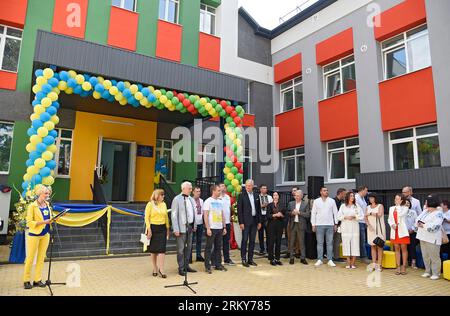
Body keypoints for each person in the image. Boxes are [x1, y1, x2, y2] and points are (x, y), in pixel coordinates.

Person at [23, 185, 55, 289]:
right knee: (30, 258)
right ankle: (26, 280)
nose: (47, 195)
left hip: (45, 234)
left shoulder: (47, 205)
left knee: (41, 258)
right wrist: (43, 222)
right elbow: (29, 222)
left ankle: (37, 279)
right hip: (34, 235)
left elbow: (49, 219)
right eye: (46, 193)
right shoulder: (32, 206)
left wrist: (54, 219)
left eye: (48, 193)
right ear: (40, 194)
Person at [171, 181, 197, 276]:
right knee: (181, 249)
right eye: (189, 188)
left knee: (189, 248)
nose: (191, 190)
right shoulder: (176, 199)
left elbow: (193, 213)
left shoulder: (191, 199)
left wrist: (195, 225)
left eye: (191, 188)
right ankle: (181, 267)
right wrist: (176, 229)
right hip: (181, 228)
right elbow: (174, 215)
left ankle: (187, 266)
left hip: (190, 226)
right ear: (183, 189)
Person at [416, 195, 444, 280]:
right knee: (425, 255)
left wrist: (423, 225)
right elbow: (417, 220)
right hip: (422, 236)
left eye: (426, 201)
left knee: (434, 256)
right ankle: (427, 271)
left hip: (432, 238)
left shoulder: (439, 213)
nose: (425, 203)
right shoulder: (425, 211)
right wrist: (419, 224)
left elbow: (435, 227)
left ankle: (436, 273)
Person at [311, 186, 338, 267]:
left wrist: (335, 224)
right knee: (319, 243)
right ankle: (320, 259)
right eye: (324, 190)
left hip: (330, 225)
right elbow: (313, 213)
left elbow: (335, 213)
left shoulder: (332, 201)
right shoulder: (316, 201)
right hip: (319, 225)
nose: (326, 192)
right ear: (321, 192)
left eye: (327, 190)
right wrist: (313, 224)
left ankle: (330, 259)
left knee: (329, 243)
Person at [203, 185, 228, 274]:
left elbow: (222, 215)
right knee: (208, 247)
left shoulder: (220, 202)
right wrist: (208, 228)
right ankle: (207, 266)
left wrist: (224, 227)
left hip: (219, 228)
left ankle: (218, 264)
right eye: (218, 190)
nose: (220, 192)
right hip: (212, 228)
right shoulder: (208, 201)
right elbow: (205, 215)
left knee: (218, 247)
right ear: (213, 191)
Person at [145, 189, 170, 278]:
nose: (163, 196)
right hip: (153, 228)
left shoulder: (164, 204)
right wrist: (149, 229)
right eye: (162, 195)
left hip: (162, 228)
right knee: (153, 250)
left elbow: (166, 217)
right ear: (157, 196)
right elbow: (146, 218)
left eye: (163, 195)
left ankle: (161, 269)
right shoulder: (150, 204)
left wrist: (167, 228)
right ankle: (155, 268)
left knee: (162, 250)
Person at [237, 179, 262, 267]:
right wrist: (241, 222)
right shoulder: (241, 195)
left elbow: (258, 209)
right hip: (245, 222)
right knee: (244, 240)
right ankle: (243, 259)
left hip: (254, 221)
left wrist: (259, 221)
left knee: (252, 241)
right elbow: (239, 210)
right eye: (247, 186)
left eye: (250, 186)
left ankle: (250, 259)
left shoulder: (256, 195)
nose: (248, 187)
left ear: (253, 186)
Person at [337, 191, 364, 269]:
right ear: (347, 197)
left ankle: (353, 262)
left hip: (354, 227)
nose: (353, 197)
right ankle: (348, 262)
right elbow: (338, 216)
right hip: (345, 227)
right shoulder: (342, 206)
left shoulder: (357, 206)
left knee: (355, 243)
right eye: (351, 196)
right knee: (346, 244)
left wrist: (355, 217)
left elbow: (361, 216)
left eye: (353, 196)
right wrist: (345, 217)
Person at [388, 194, 410, 275]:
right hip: (394, 230)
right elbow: (389, 219)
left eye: (397, 199)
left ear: (401, 200)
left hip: (402, 231)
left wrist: (399, 205)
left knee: (403, 248)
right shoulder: (391, 208)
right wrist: (392, 224)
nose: (395, 200)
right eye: (395, 198)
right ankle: (398, 266)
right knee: (396, 248)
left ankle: (403, 266)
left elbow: (400, 214)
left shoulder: (405, 208)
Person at [287, 190, 310, 265]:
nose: (296, 197)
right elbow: (287, 213)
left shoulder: (305, 204)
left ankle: (303, 258)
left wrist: (299, 213)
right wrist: (292, 213)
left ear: (301, 196)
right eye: (295, 195)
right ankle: (291, 258)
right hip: (293, 225)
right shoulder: (291, 203)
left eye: (297, 195)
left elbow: (308, 215)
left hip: (301, 225)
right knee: (291, 242)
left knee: (301, 242)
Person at [365, 193, 386, 272]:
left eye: (372, 198)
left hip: (379, 229)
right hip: (371, 228)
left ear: (375, 198)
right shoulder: (367, 207)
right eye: (369, 198)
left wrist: (370, 213)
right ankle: (374, 264)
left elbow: (380, 214)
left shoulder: (380, 206)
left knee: (379, 246)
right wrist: (368, 225)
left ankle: (379, 265)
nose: (370, 199)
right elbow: (365, 217)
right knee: (372, 246)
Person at [266, 192, 285, 266]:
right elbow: (268, 215)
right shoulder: (269, 205)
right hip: (271, 225)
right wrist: (275, 215)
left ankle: (277, 259)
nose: (275, 196)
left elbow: (285, 214)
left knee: (278, 242)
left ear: (278, 196)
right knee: (271, 242)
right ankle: (271, 259)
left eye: (276, 195)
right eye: (274, 195)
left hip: (279, 224)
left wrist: (282, 215)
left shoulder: (282, 205)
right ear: (272, 197)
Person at [219, 183, 235, 265]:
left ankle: (227, 259)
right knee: (217, 242)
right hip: (219, 224)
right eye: (221, 186)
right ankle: (216, 260)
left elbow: (229, 209)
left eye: (224, 187)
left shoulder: (228, 197)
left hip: (227, 223)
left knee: (226, 242)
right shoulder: (217, 198)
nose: (223, 188)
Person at [284, 186, 300, 258]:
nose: (293, 192)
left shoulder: (302, 201)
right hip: (290, 222)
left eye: (295, 190)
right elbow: (286, 212)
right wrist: (291, 213)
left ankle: (297, 252)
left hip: (299, 222)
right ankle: (289, 251)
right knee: (290, 237)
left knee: (298, 238)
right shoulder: (290, 201)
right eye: (293, 191)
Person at [258, 184, 273, 256]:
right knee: (260, 233)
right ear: (260, 189)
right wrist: (262, 205)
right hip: (261, 215)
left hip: (267, 216)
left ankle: (268, 248)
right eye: (263, 188)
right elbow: (256, 206)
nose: (265, 189)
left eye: (266, 188)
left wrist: (268, 205)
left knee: (268, 233)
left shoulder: (269, 197)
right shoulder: (258, 197)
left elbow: (272, 205)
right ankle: (261, 249)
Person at [355, 186, 369, 262]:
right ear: (362, 190)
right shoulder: (356, 197)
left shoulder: (363, 198)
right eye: (366, 191)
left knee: (362, 239)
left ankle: (360, 255)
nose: (367, 192)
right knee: (361, 239)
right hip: (359, 221)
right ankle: (363, 257)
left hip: (363, 221)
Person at [333, 188, 347, 263]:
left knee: (337, 241)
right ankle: (334, 256)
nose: (345, 196)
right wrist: (336, 224)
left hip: (338, 224)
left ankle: (336, 256)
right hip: (333, 224)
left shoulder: (341, 202)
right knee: (334, 241)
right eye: (344, 194)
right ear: (341, 193)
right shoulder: (333, 201)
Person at [191, 187, 205, 263]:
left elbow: (203, 212)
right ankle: (189, 257)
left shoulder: (202, 201)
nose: (198, 193)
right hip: (193, 223)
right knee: (191, 241)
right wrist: (193, 224)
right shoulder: (190, 200)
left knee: (199, 240)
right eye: (197, 191)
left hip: (200, 223)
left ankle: (198, 255)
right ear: (193, 192)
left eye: (199, 191)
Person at [405, 199, 418, 269]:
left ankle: (413, 262)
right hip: (403, 233)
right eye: (406, 203)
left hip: (412, 232)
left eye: (408, 203)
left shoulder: (413, 212)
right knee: (405, 248)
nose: (407, 204)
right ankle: (405, 261)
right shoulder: (401, 212)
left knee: (412, 247)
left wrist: (413, 229)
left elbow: (416, 222)